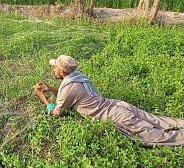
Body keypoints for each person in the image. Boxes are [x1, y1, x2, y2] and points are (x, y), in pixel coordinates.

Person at [34, 55, 184, 147]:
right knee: (158, 120)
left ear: (62, 71)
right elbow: (71, 95)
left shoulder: (68, 88)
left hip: (115, 116)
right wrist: (52, 90)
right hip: (117, 105)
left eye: (55, 68)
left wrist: (43, 98)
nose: (53, 70)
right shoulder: (77, 76)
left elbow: (56, 113)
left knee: (156, 137)